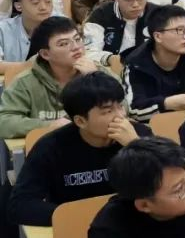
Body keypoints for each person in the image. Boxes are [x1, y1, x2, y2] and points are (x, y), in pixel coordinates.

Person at [9, 72, 150, 227]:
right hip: (77, 227)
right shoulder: (51, 146)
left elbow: (165, 185)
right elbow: (21, 204)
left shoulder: (138, 135)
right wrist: (76, 217)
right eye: (108, 111)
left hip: (132, 224)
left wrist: (136, 146)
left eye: (120, 106)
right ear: (81, 121)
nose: (121, 116)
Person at [0, 17, 110, 139]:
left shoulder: (99, 73)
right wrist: (48, 126)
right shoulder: (25, 82)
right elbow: (4, 122)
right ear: (45, 54)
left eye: (77, 39)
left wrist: (96, 81)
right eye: (64, 44)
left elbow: (122, 109)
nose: (76, 47)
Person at [122, 5, 185, 122]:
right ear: (158, 36)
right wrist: (167, 103)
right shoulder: (136, 64)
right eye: (179, 30)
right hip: (154, 129)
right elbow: (134, 111)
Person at [0, 0, 57, 75]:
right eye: (35, 3)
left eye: (48, 1)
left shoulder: (62, 26)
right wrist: (32, 66)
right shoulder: (3, 29)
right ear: (18, 6)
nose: (43, 7)